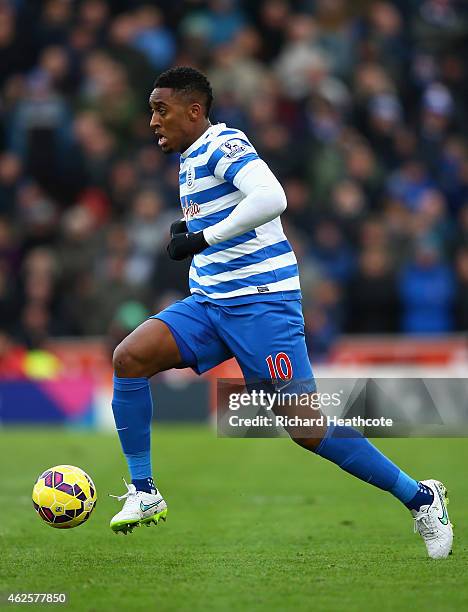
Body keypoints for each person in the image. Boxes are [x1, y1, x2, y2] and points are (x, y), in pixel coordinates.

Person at [109, 67, 453, 559]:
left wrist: (203, 237)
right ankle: (144, 492)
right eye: (150, 111)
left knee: (306, 429)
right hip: (210, 303)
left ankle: (421, 497)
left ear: (195, 111)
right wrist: (199, 231)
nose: (152, 122)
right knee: (129, 358)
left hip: (262, 304)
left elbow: (273, 197)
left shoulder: (222, 144)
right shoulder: (188, 159)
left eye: (160, 110)